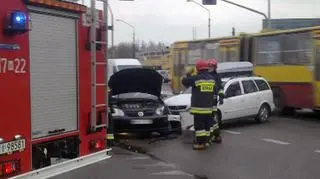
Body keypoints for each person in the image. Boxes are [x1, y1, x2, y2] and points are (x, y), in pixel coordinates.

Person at [181, 60, 217, 150]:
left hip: (198, 109)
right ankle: (207, 142)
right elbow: (215, 92)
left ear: (198, 69)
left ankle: (200, 144)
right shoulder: (212, 79)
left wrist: (188, 73)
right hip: (209, 108)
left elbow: (184, 81)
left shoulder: (196, 78)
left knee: (200, 128)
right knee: (207, 126)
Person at [207, 58, 223, 144]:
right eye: (209, 66)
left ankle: (215, 135)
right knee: (208, 120)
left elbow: (220, 88)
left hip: (213, 101)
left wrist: (221, 97)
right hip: (205, 101)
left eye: (211, 66)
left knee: (211, 119)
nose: (210, 67)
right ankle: (213, 135)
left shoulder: (217, 76)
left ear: (214, 67)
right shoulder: (204, 75)